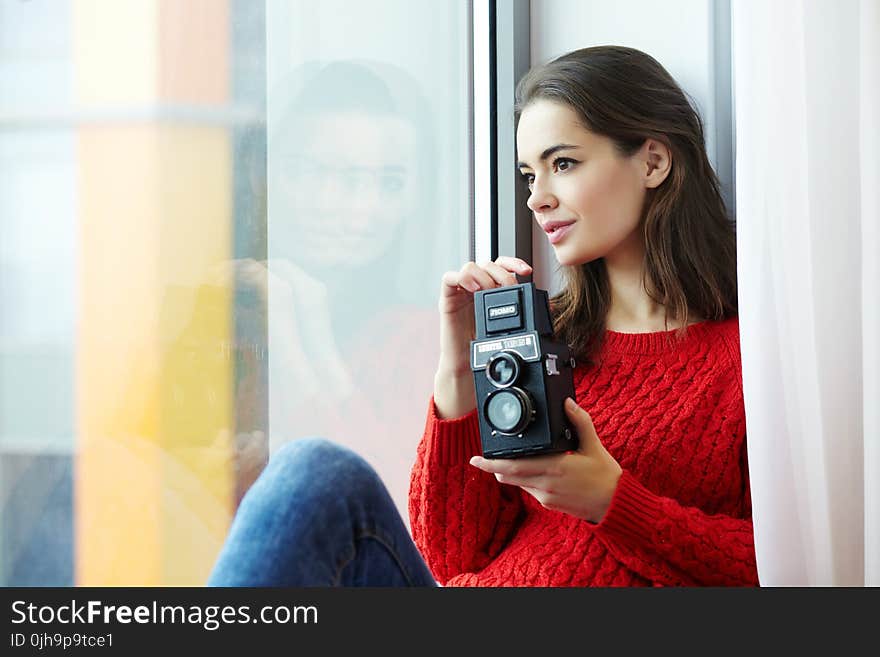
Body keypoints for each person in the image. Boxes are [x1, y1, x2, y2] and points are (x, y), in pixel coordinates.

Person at [208, 45, 757, 587]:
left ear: (653, 162)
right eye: (528, 175)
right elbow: (449, 557)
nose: (537, 198)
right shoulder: (544, 338)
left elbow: (792, 569)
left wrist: (613, 502)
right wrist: (457, 369)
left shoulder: (748, 362)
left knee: (315, 472)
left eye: (563, 164)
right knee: (314, 474)